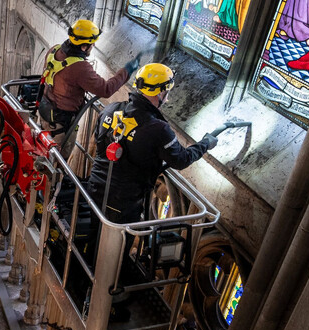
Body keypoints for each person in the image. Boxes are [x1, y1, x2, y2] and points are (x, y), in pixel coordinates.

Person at [87, 63, 217, 226]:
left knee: (93, 232)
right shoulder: (158, 129)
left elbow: (99, 141)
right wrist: (205, 144)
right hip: (123, 202)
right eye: (167, 93)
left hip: (94, 188)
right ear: (161, 92)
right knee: (118, 245)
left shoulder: (111, 109)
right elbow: (181, 159)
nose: (167, 98)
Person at [38, 19, 140, 138]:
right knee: (58, 155)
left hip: (46, 111)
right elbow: (105, 89)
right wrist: (126, 71)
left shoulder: (55, 50)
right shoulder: (80, 67)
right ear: (84, 47)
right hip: (60, 123)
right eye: (92, 44)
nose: (93, 46)